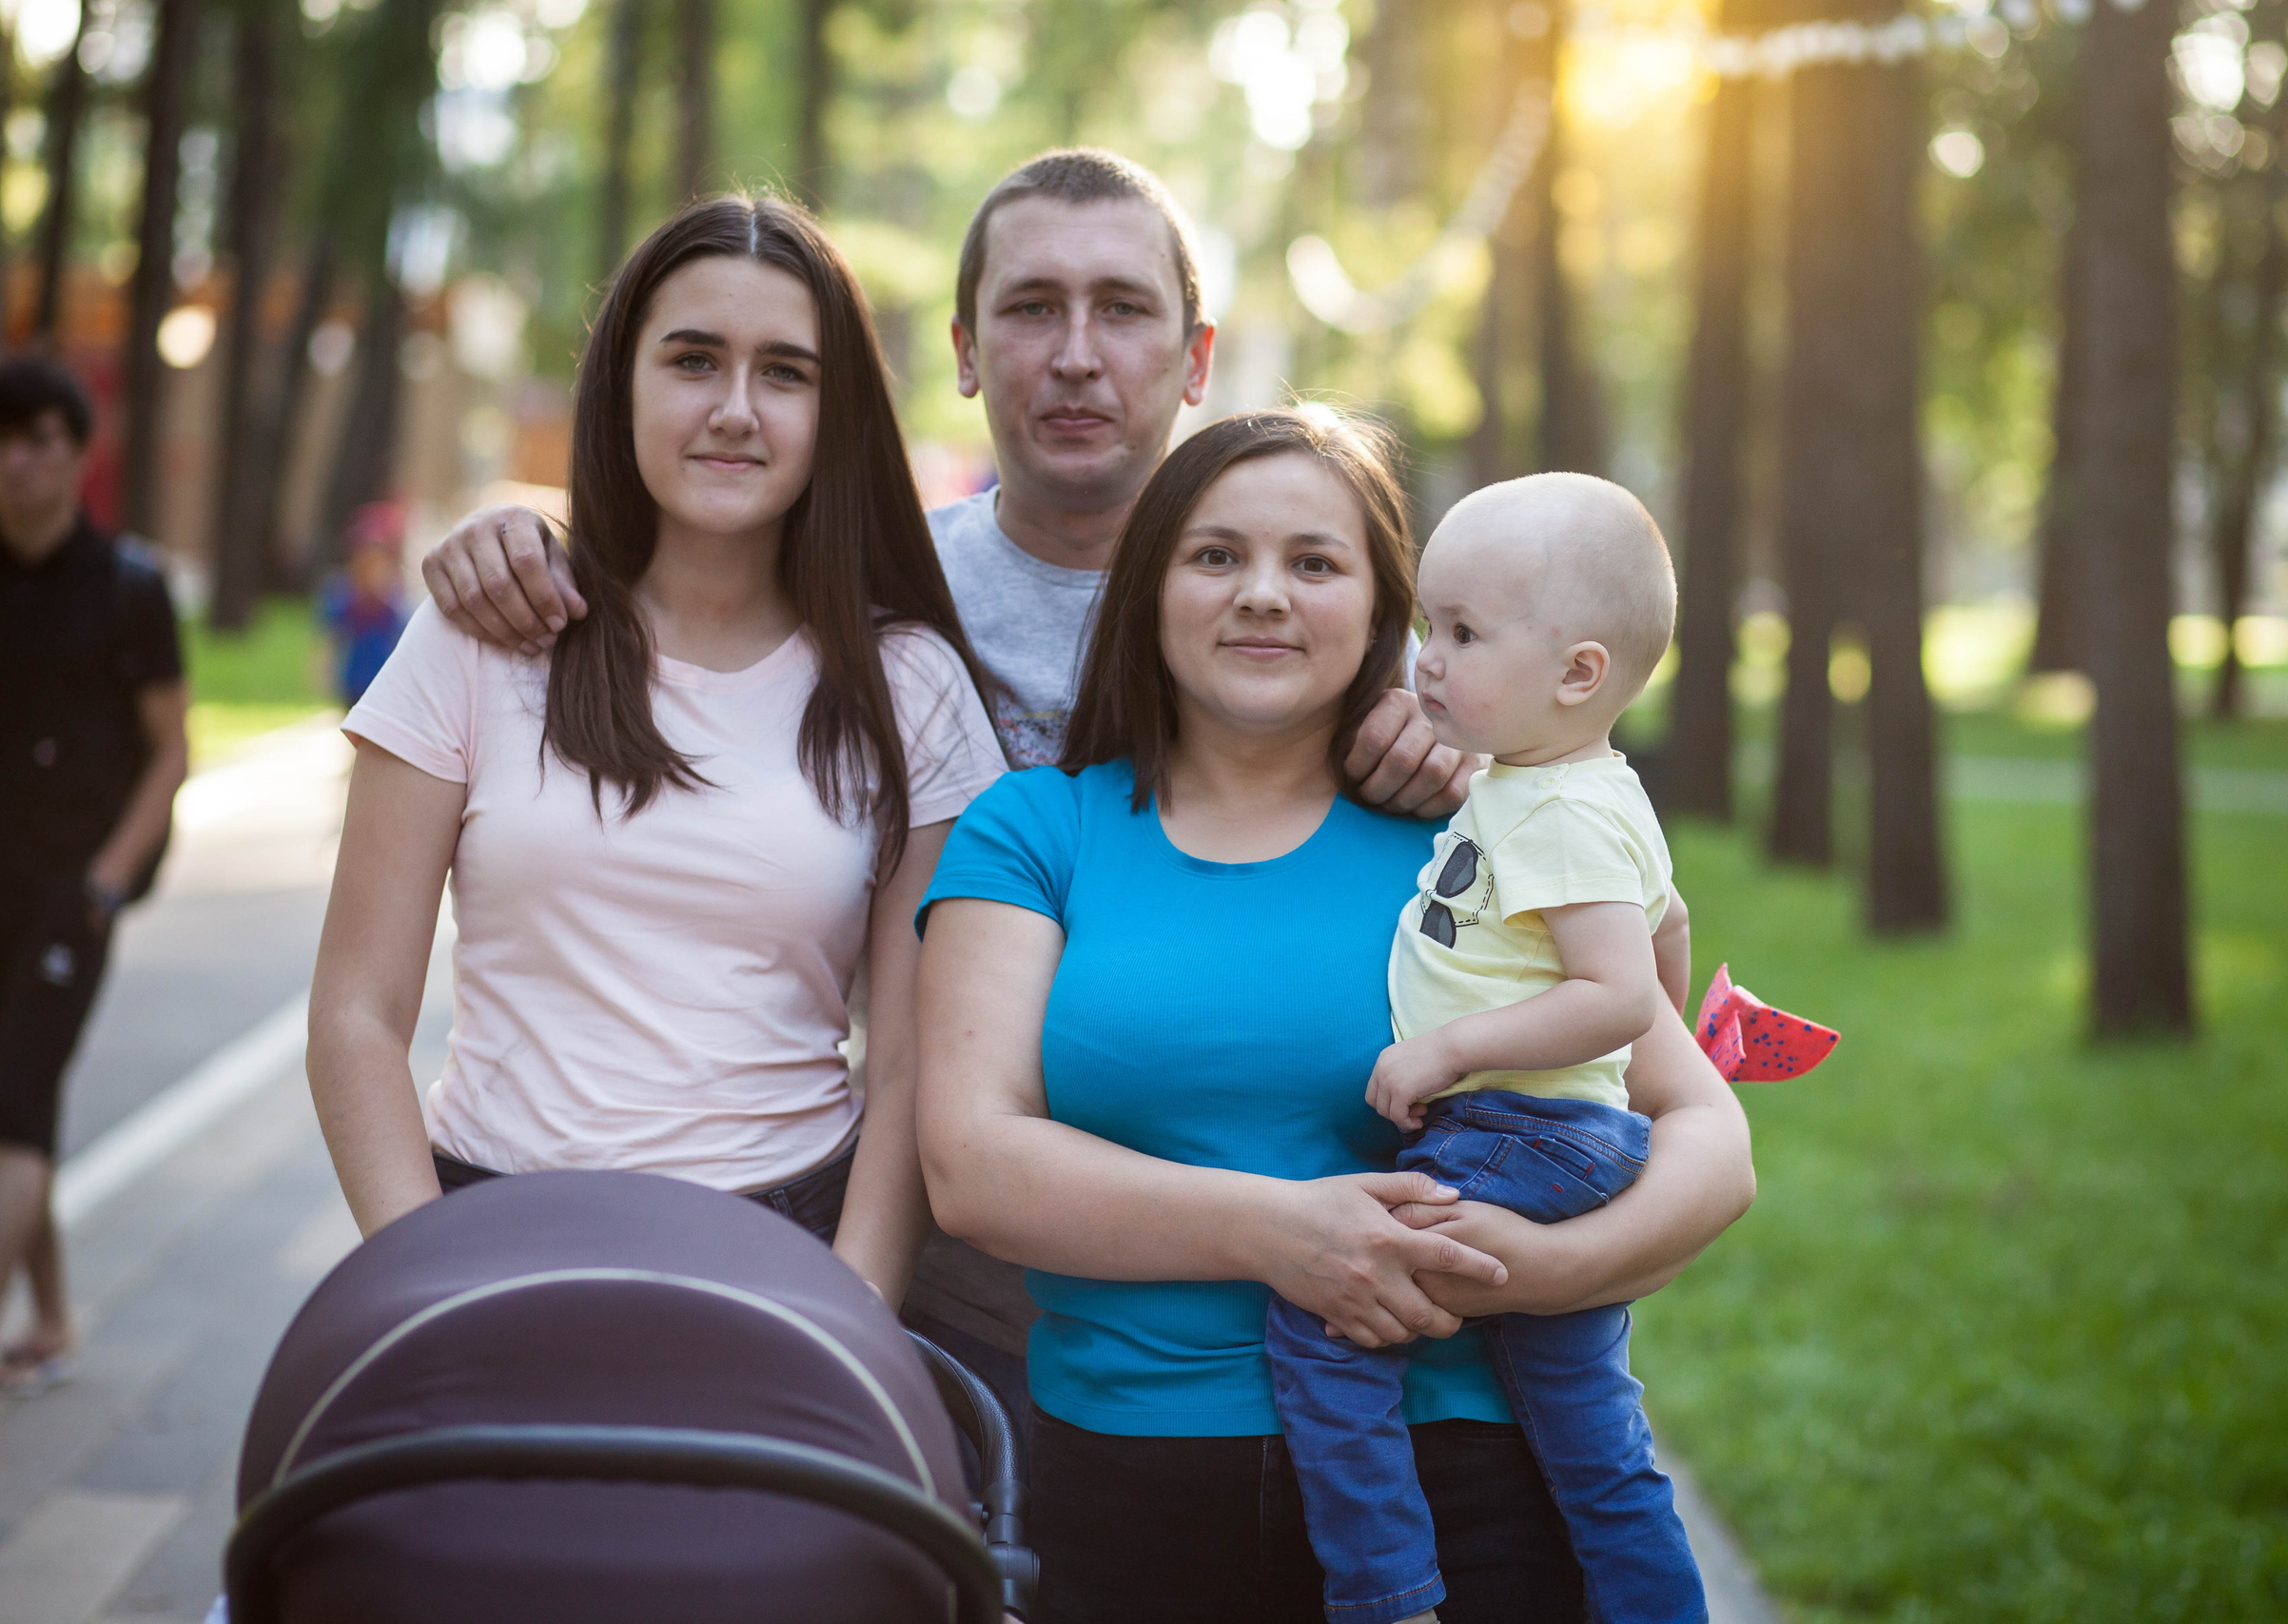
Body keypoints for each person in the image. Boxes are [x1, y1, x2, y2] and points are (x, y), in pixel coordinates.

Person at [410, 147, 1476, 1420]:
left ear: (1196, 359)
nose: (1076, 354)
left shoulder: (1320, 619)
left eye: (1123, 309)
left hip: (1287, 1280)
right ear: (967, 350)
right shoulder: (874, 607)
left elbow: (1590, 886)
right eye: (1031, 309)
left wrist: (1464, 759)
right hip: (956, 1269)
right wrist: (531, 539)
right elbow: (696, 580)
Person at [916, 409, 1757, 1623]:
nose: (1263, 594)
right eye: (1215, 556)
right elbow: (971, 1167)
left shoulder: (1479, 833)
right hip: (1138, 1478)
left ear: (1382, 613)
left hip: (1464, 1471)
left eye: (1314, 562)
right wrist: (1278, 1236)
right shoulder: (1035, 829)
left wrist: (1543, 1272)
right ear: (1150, 587)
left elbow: (1707, 1139)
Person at [306, 195, 1003, 1331]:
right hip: (480, 1236)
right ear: (622, 382)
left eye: (785, 372)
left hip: (786, 1255)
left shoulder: (907, 683)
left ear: (837, 413)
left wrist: (859, 1310)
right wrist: (420, 1279)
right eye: (692, 360)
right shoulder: (481, 636)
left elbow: (915, 1068)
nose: (734, 409)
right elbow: (356, 1013)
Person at [1268, 473, 1703, 1624]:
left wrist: (1449, 1048)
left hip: (1521, 1129)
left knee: (1324, 1324)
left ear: (1578, 674)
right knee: (1583, 1427)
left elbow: (1613, 997)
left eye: (1463, 633)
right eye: (1427, 624)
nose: (1426, 659)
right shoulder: (1554, 785)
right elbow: (1662, 927)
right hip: (1557, 1128)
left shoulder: (1556, 809)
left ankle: (1388, 1594)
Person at [0, 358, 189, 1397]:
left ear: (78, 455)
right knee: (13, 1108)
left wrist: (111, 877)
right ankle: (56, 1318)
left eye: (38, 441)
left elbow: (171, 751)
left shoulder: (129, 588)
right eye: (4, 441)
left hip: (75, 887)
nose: (16, 462)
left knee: (17, 1098)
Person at [319, 500, 409, 706]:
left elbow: (401, 631)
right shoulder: (341, 590)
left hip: (383, 675)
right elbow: (332, 633)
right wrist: (325, 668)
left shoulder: (394, 592)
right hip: (354, 677)